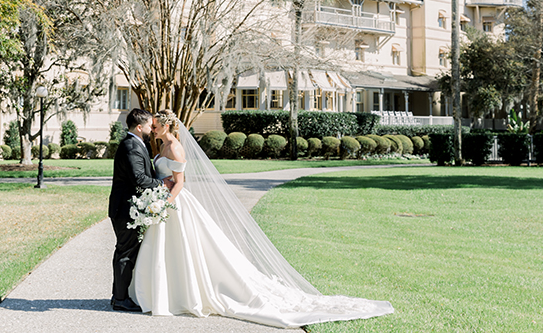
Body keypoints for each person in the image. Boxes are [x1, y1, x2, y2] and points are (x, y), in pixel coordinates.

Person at [128, 111, 394, 329]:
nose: (152, 128)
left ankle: (181, 294)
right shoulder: (161, 145)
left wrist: (163, 204)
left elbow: (180, 183)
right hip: (165, 203)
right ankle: (164, 292)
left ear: (166, 126)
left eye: (156, 125)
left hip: (175, 205)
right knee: (170, 251)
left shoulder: (175, 148)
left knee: (188, 249)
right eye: (152, 126)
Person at [108, 107, 165, 312]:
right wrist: (162, 184)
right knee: (125, 253)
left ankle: (119, 295)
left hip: (127, 207)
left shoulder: (136, 143)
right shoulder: (131, 146)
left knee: (125, 251)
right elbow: (138, 178)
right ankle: (121, 299)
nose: (153, 127)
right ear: (140, 127)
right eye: (150, 125)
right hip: (125, 209)